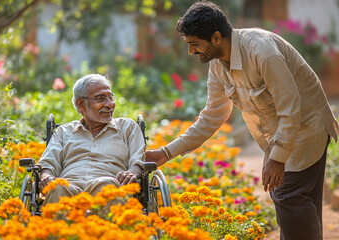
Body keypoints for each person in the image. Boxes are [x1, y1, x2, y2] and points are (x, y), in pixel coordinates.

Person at [145, 1, 339, 240]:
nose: (191, 51)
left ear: (216, 37)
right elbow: (212, 116)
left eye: (194, 44)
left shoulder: (262, 51)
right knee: (299, 202)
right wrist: (167, 152)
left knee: (288, 196)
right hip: (284, 131)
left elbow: (291, 108)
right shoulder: (218, 66)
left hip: (307, 127)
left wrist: (277, 158)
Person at [38, 74, 145, 204]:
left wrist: (132, 172)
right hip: (69, 186)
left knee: (106, 185)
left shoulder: (127, 127)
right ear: (81, 103)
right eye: (101, 98)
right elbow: (48, 163)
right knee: (57, 187)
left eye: (111, 97)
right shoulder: (64, 132)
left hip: (110, 185)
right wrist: (46, 176)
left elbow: (138, 162)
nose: (110, 104)